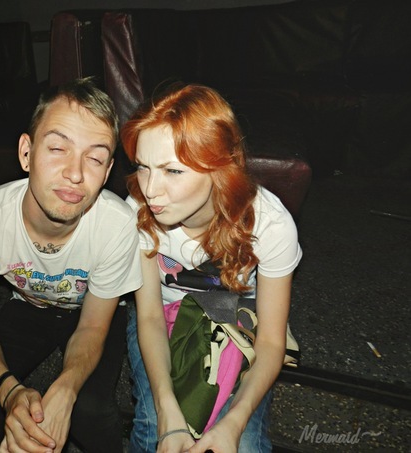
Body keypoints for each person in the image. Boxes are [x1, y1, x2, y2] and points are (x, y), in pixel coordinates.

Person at [0, 78, 143, 453]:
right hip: (28, 308)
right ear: (26, 153)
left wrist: (66, 388)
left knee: (91, 412)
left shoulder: (117, 224)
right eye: (58, 148)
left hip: (95, 311)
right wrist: (10, 393)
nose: (75, 173)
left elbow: (93, 325)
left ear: (108, 170)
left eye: (95, 158)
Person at [121, 84, 302, 453]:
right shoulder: (137, 210)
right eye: (143, 167)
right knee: (154, 429)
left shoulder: (269, 223)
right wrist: (167, 410)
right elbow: (150, 316)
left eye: (172, 171)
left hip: (238, 318)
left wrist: (234, 423)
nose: (150, 190)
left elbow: (271, 340)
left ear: (221, 167)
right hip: (163, 317)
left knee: (243, 444)